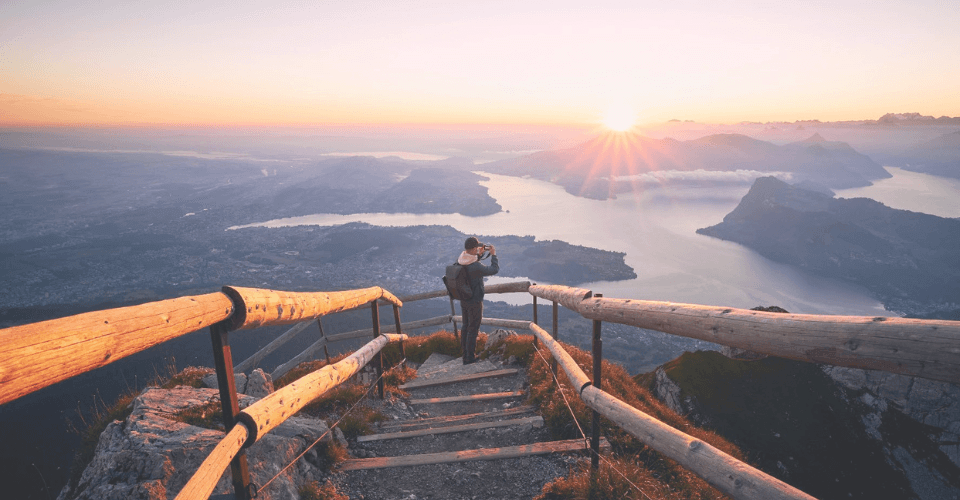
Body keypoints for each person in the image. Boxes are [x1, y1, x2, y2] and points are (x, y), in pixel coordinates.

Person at [457, 236, 499, 364]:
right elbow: (493, 270)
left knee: (465, 327)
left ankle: (465, 355)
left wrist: (479, 255)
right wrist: (493, 255)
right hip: (474, 300)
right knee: (473, 328)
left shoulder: (461, 259)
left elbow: (471, 266)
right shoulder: (475, 266)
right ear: (474, 248)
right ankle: (470, 358)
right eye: (477, 247)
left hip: (464, 299)